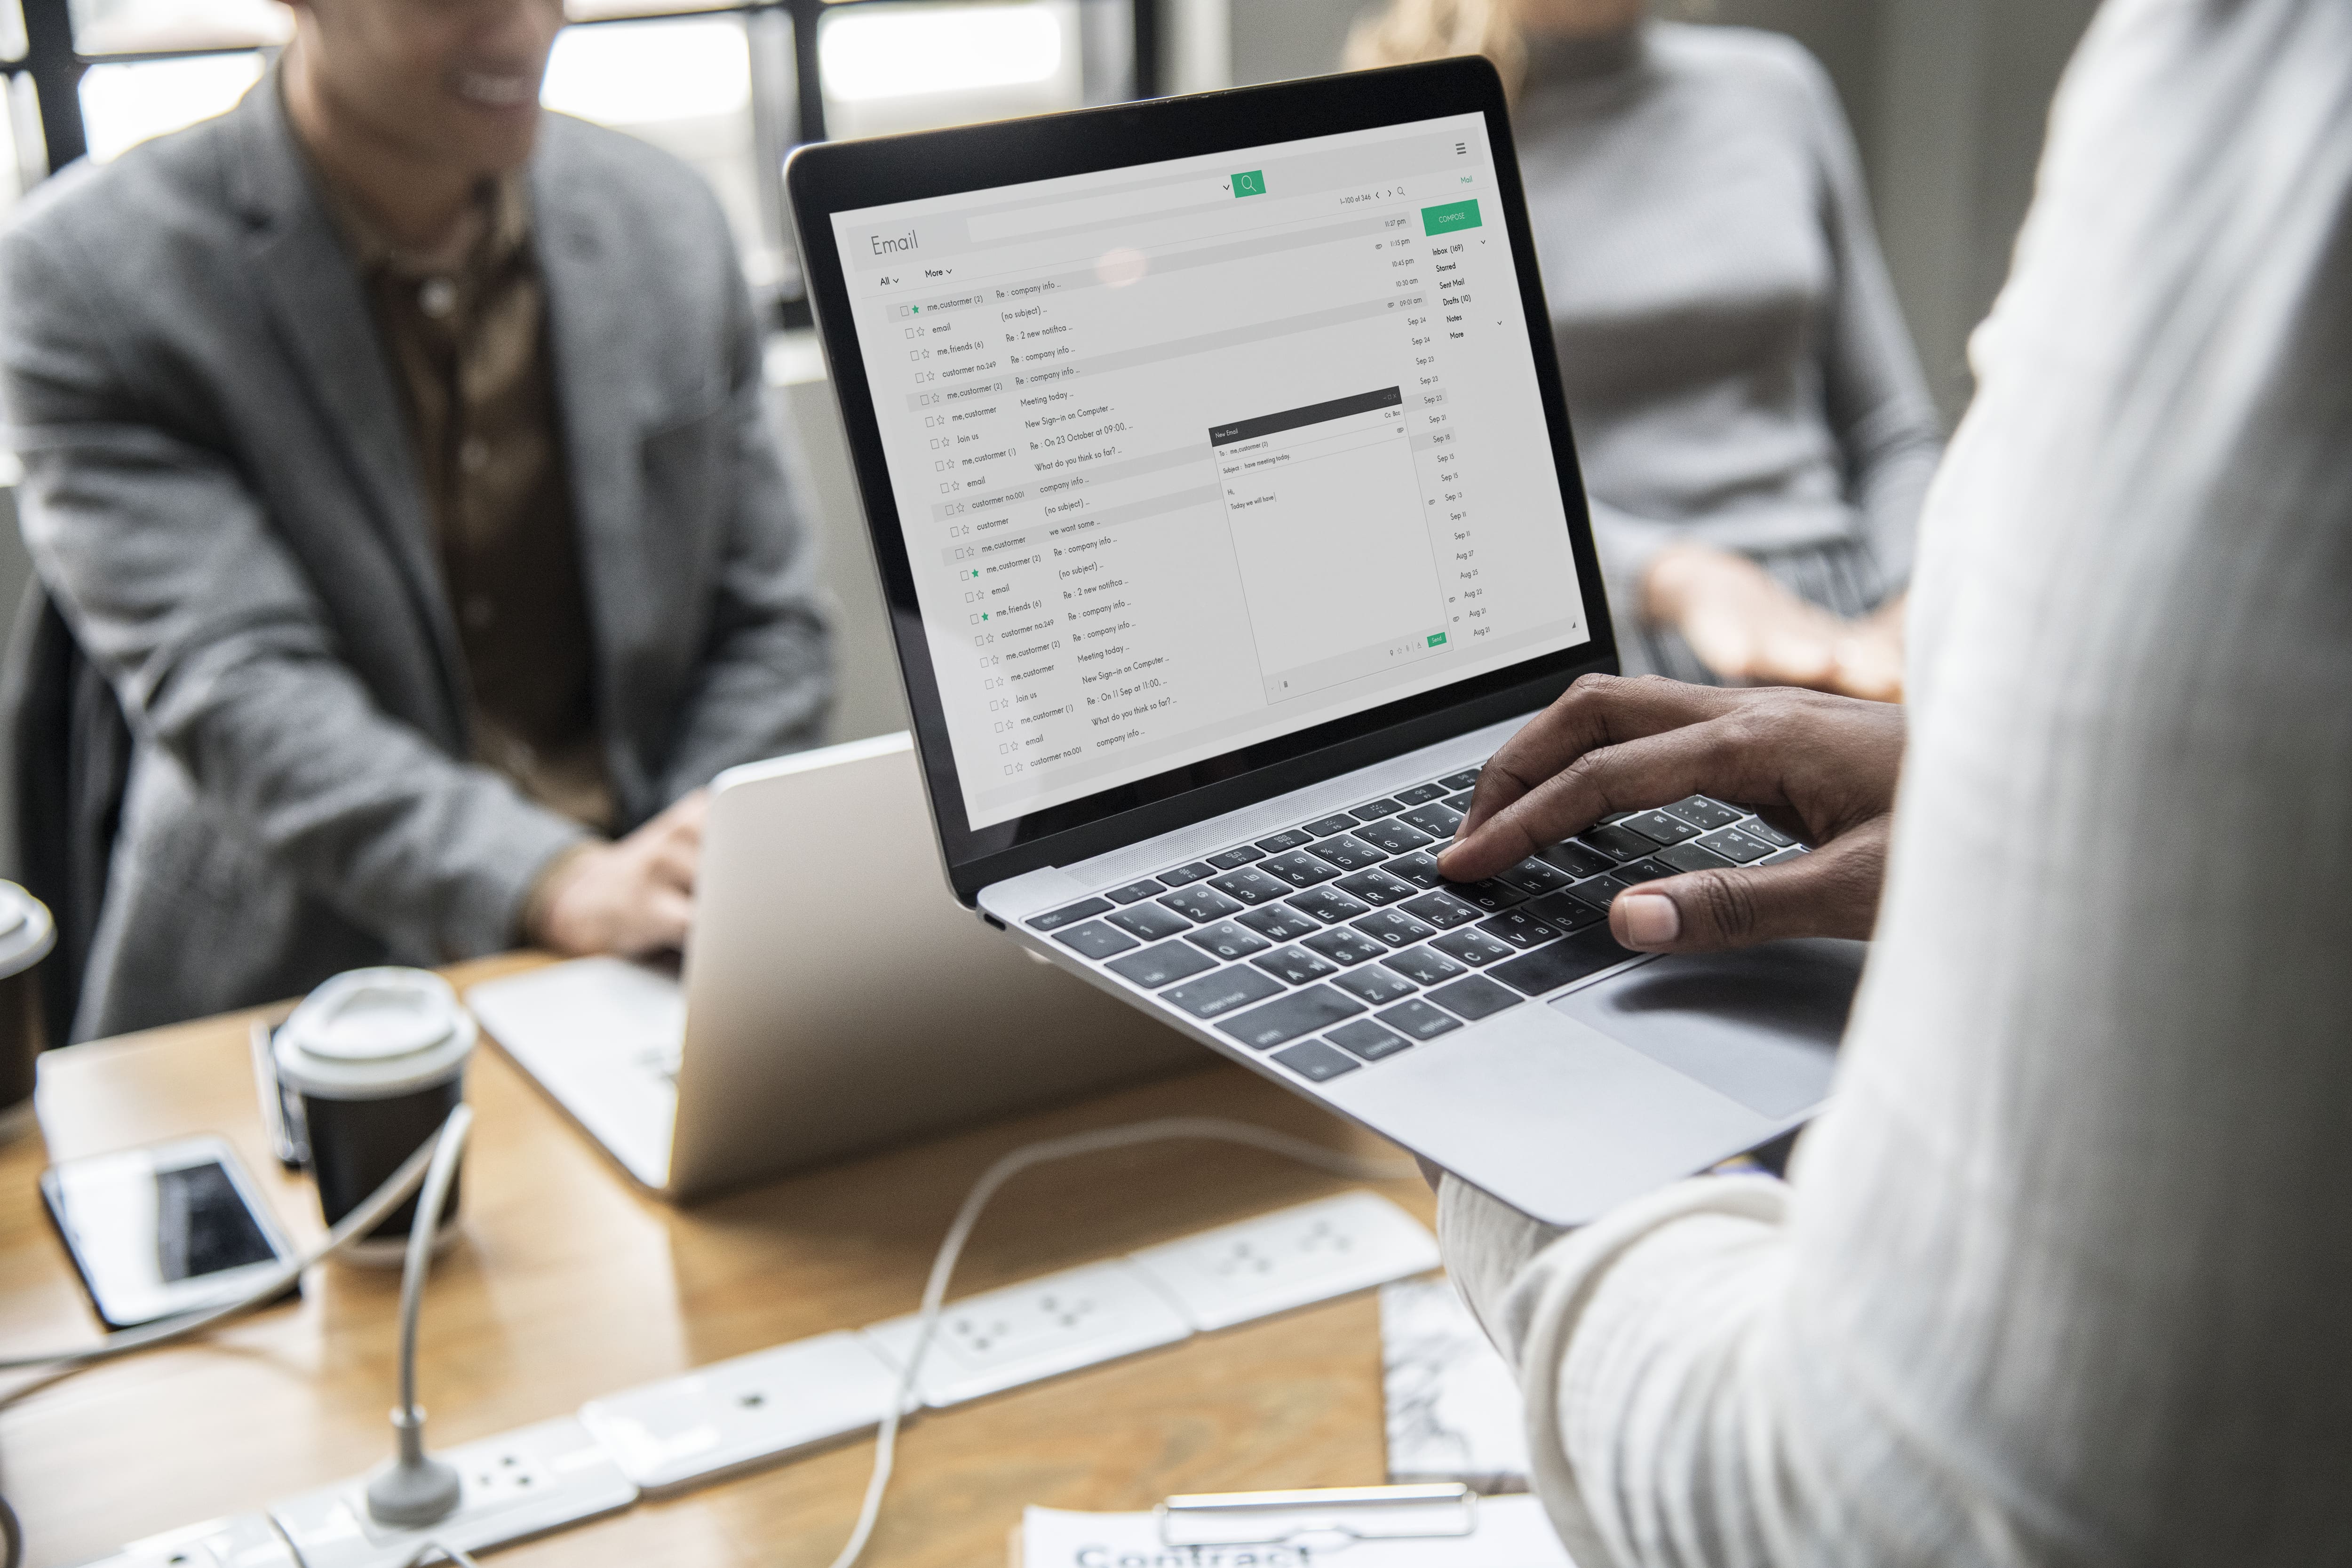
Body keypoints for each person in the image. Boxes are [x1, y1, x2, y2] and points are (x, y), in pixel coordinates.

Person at [1421, 0, 2352, 1560]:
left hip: (1872, 629)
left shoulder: (2269, 112)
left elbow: (1894, 1511)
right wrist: (1984, 774)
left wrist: (1483, 1128)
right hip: (1668, 645)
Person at [0, 0, 830, 1040]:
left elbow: (771, 622)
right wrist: (555, 882)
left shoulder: (666, 219)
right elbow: (239, 686)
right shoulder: (92, 278)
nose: (523, 30)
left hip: (655, 952)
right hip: (297, 990)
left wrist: (694, 859)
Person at [1347, 0, 1941, 700]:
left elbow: (1892, 430)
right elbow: (1446, 480)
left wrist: (1914, 612)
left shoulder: (1779, 88)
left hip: (1854, 628)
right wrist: (1670, 579)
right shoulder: (1413, 126)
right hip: (1617, 651)